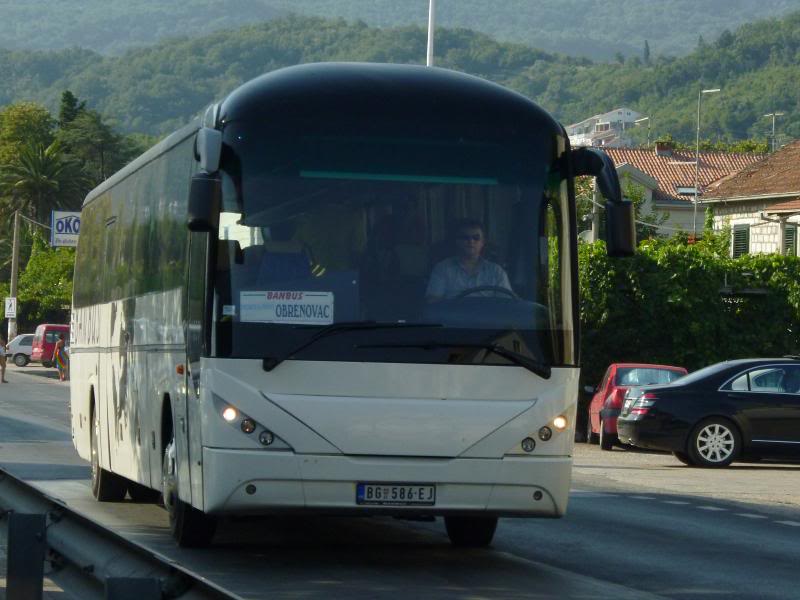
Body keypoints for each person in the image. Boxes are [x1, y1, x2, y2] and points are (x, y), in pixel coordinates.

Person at [426, 219, 512, 302]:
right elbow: (433, 302)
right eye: (465, 237)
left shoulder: (497, 271)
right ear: (457, 241)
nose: (471, 241)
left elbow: (507, 303)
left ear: (482, 242)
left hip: (487, 315)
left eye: (476, 238)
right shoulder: (442, 269)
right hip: (454, 315)